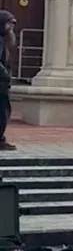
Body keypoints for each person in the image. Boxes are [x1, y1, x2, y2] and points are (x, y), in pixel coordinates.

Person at [0, 9, 15, 151]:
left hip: (3, 83)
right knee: (2, 112)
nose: (11, 27)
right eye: (8, 23)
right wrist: (5, 74)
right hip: (1, 83)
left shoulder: (4, 40)